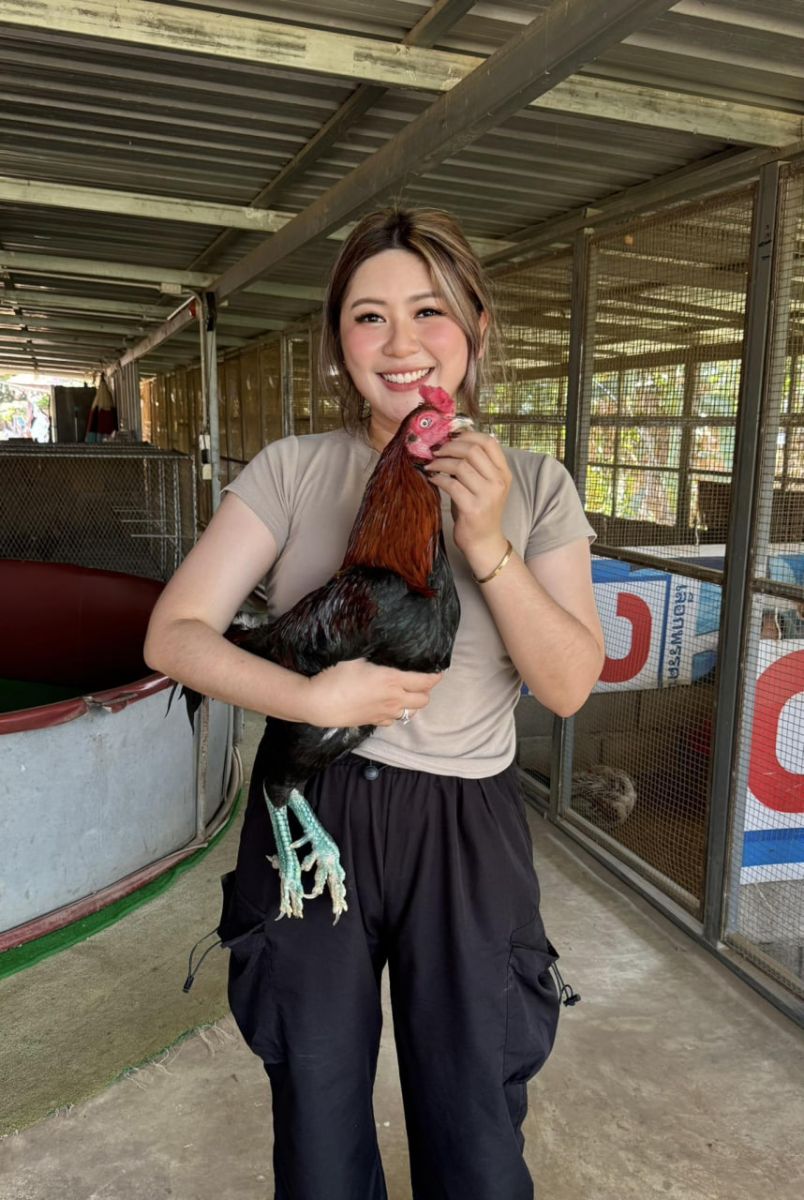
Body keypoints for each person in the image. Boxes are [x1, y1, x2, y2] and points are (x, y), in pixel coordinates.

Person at [144, 208, 604, 1200]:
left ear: (477, 327)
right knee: (318, 1126)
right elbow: (173, 636)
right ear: (337, 341)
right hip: (315, 801)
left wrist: (486, 540)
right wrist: (312, 693)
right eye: (369, 316)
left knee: (478, 1132)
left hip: (466, 827)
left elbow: (568, 684)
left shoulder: (536, 484)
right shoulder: (291, 470)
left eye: (429, 311)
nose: (401, 344)